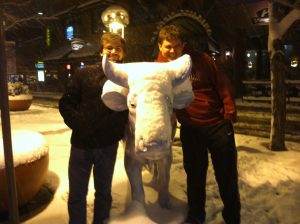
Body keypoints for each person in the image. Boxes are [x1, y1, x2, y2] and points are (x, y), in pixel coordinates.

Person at [155, 24, 241, 224]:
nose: (172, 51)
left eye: (177, 46)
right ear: (160, 46)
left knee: (226, 175)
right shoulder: (158, 69)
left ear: (183, 45)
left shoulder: (201, 60)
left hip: (217, 125)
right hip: (191, 129)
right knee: (194, 176)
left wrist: (229, 112)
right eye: (168, 46)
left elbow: (222, 84)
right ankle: (196, 215)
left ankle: (232, 216)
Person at [59, 32, 128, 224]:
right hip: (81, 145)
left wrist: (117, 131)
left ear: (124, 53)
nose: (114, 52)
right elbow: (66, 104)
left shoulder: (128, 79)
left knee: (104, 193)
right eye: (109, 48)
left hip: (107, 146)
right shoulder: (84, 74)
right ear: (101, 52)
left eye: (118, 48)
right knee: (77, 194)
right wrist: (80, 125)